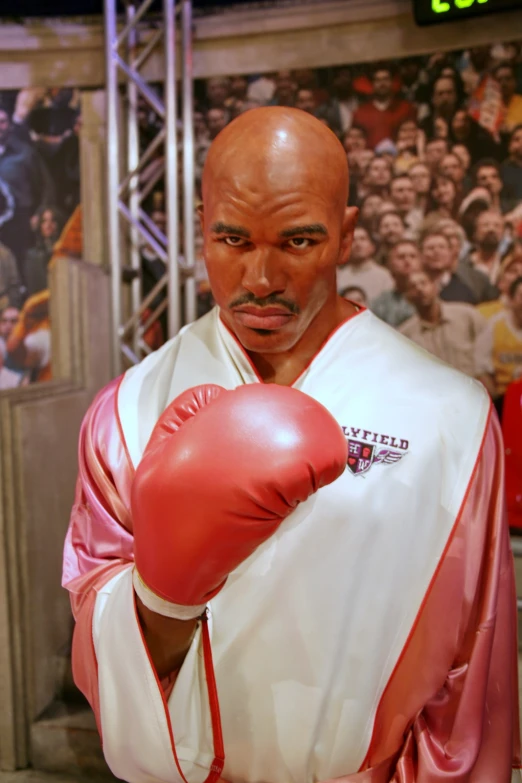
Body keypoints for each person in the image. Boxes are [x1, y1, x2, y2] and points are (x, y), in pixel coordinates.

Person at [63, 107, 520, 783]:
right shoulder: (127, 410)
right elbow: (97, 650)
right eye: (232, 238)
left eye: (298, 241)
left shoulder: (448, 416)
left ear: (346, 234)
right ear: (201, 227)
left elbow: (469, 680)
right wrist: (163, 593)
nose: (260, 278)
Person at [399, 269, 489, 381]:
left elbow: (490, 351)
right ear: (407, 298)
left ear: (435, 287)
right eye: (413, 287)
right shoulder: (405, 336)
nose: (419, 289)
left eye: (423, 283)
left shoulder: (467, 316)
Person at [476, 275, 522, 411]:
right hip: (504, 400)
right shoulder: (494, 326)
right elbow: (481, 370)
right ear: (512, 300)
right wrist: (499, 403)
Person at [352, 66, 416, 149]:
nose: (382, 83)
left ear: (392, 82)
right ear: (372, 84)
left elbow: (413, 135)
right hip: (369, 159)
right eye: (378, 80)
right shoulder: (360, 113)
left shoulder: (406, 109)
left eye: (385, 79)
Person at [369, 239, 419, 327]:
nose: (407, 261)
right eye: (401, 257)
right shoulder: (380, 303)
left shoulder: (433, 298)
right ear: (389, 264)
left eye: (413, 256)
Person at [336, 225, 393, 300]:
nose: (358, 244)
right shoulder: (339, 277)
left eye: (363, 239)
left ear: (372, 247)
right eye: (353, 240)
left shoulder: (384, 276)